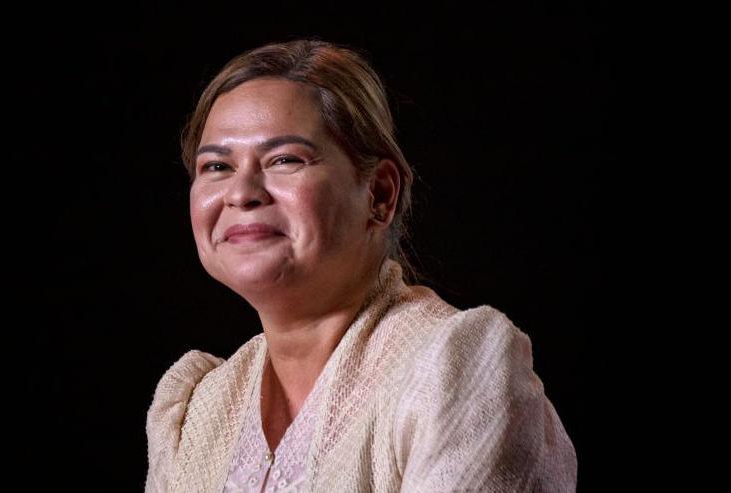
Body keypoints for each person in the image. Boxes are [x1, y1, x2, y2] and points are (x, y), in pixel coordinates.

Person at [144, 38, 577, 493]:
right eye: (216, 166)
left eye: (285, 159)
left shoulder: (454, 366)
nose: (241, 192)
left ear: (380, 195)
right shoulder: (197, 410)